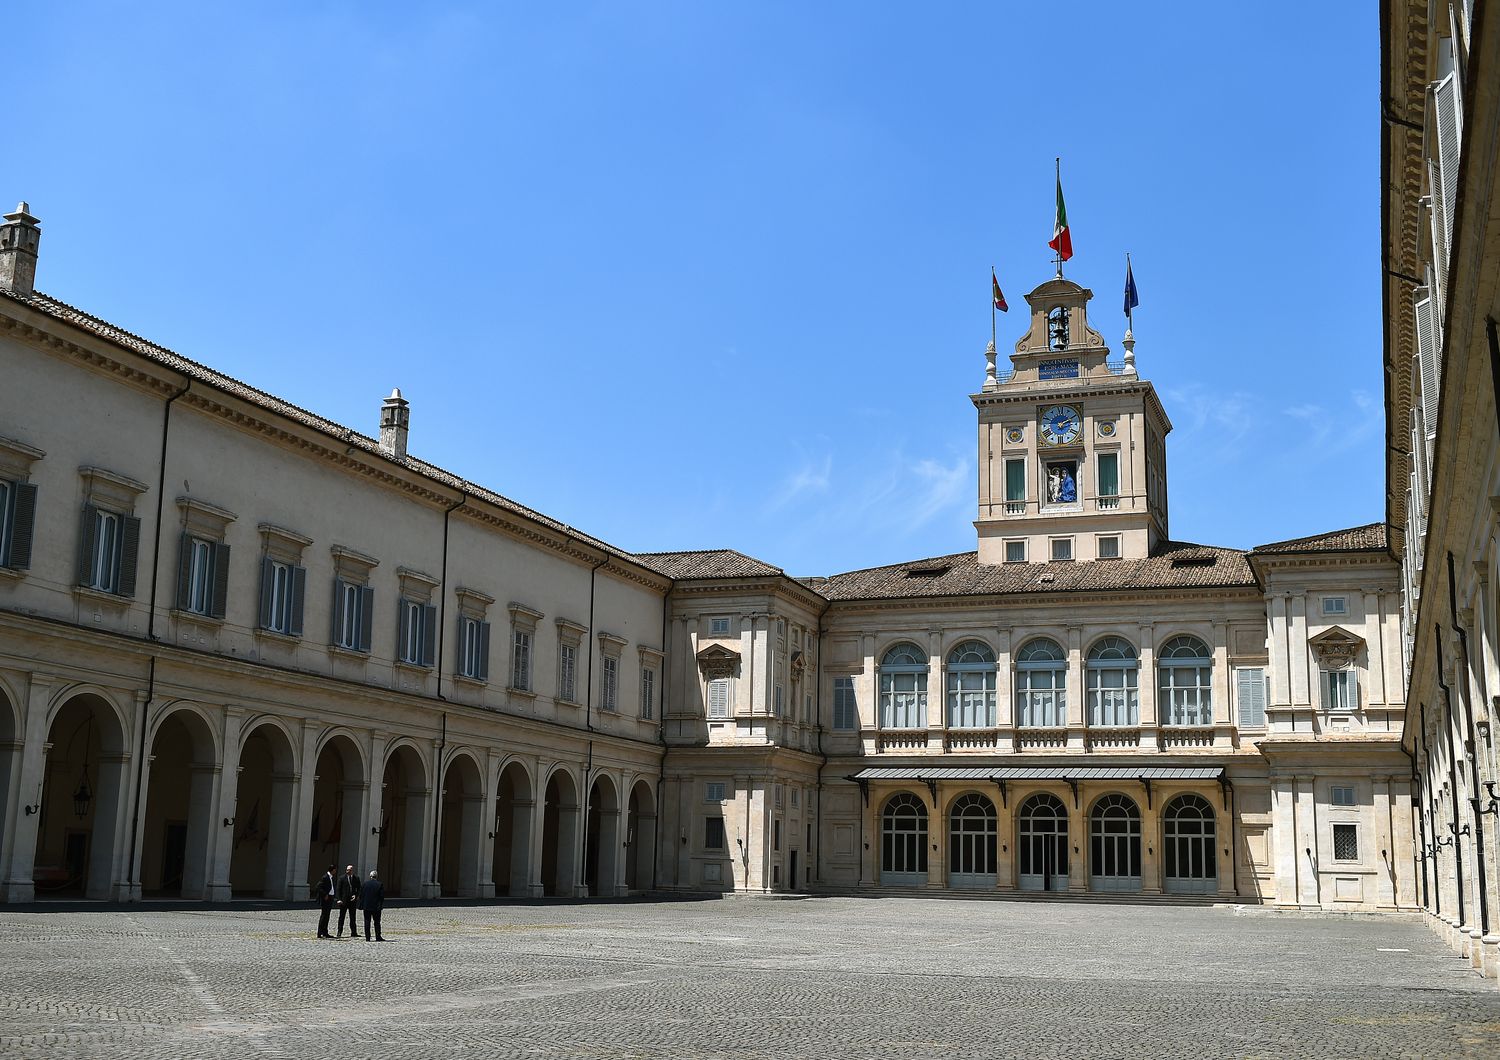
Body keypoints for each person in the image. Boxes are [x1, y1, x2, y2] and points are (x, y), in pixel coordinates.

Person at [359, 869, 386, 942]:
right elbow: (382, 896)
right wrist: (380, 904)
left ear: (370, 876)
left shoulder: (365, 884)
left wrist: (362, 904)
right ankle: (378, 936)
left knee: (367, 922)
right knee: (377, 922)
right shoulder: (379, 884)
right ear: (376, 877)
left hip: (367, 906)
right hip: (376, 907)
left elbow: (361, 895)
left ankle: (367, 937)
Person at [335, 864, 360, 938]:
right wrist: (339, 899)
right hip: (344, 901)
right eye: (347, 870)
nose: (347, 871)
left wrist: (356, 895)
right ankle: (339, 932)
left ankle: (354, 932)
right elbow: (338, 889)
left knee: (353, 917)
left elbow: (359, 888)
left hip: (352, 901)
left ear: (352, 870)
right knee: (341, 917)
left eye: (349, 870)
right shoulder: (342, 878)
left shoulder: (356, 878)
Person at [314, 864, 336, 939]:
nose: (335, 871)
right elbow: (318, 887)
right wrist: (325, 894)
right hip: (326, 899)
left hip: (330, 898)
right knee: (323, 916)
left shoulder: (330, 877)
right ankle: (319, 933)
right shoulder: (325, 877)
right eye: (335, 870)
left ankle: (325, 932)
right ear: (332, 870)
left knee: (327, 916)